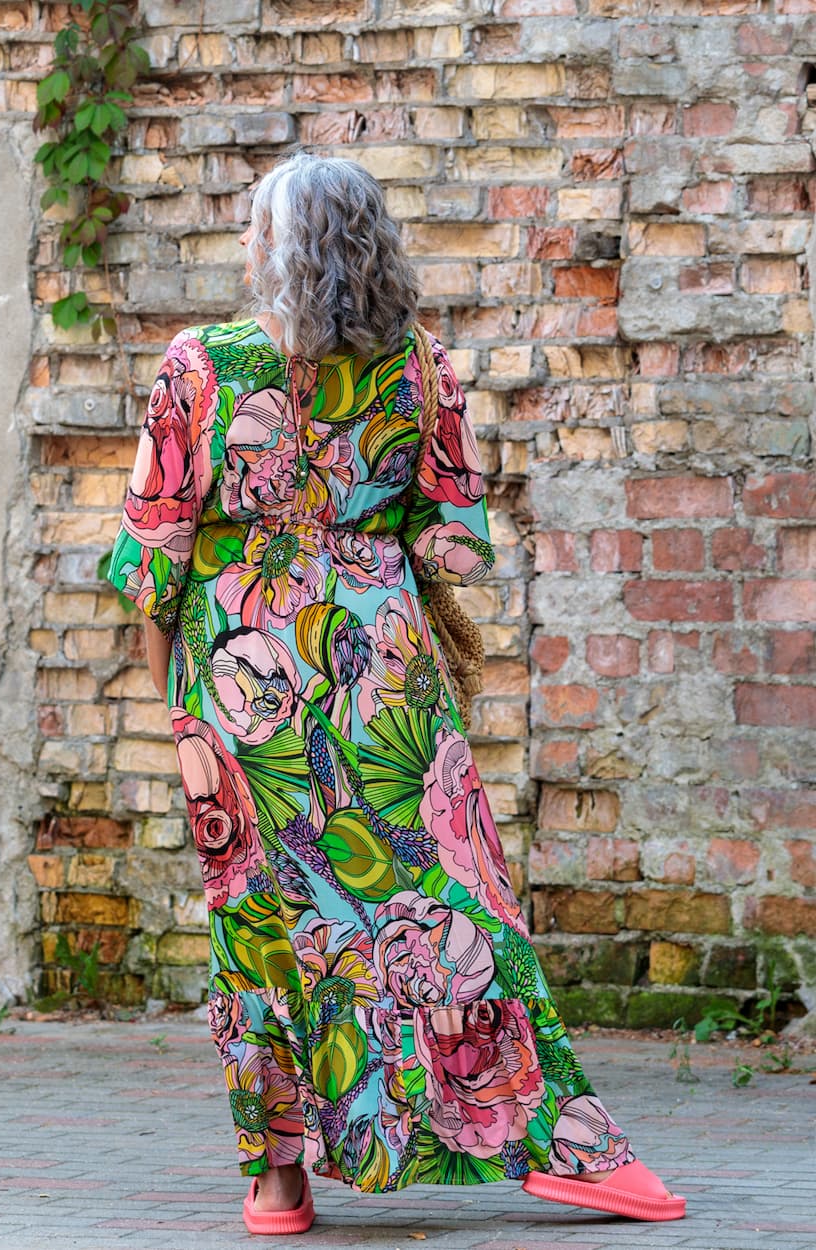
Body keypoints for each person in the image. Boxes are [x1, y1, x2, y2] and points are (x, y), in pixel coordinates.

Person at [106, 150, 686, 1234]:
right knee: (457, 898)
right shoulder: (418, 366)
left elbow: (153, 551)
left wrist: (176, 694)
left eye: (254, 227)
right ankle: (568, 1140)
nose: (241, 242)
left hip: (241, 675)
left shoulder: (198, 363)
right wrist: (357, 526)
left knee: (267, 922)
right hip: (387, 672)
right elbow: (453, 542)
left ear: (285, 247)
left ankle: (281, 1179)